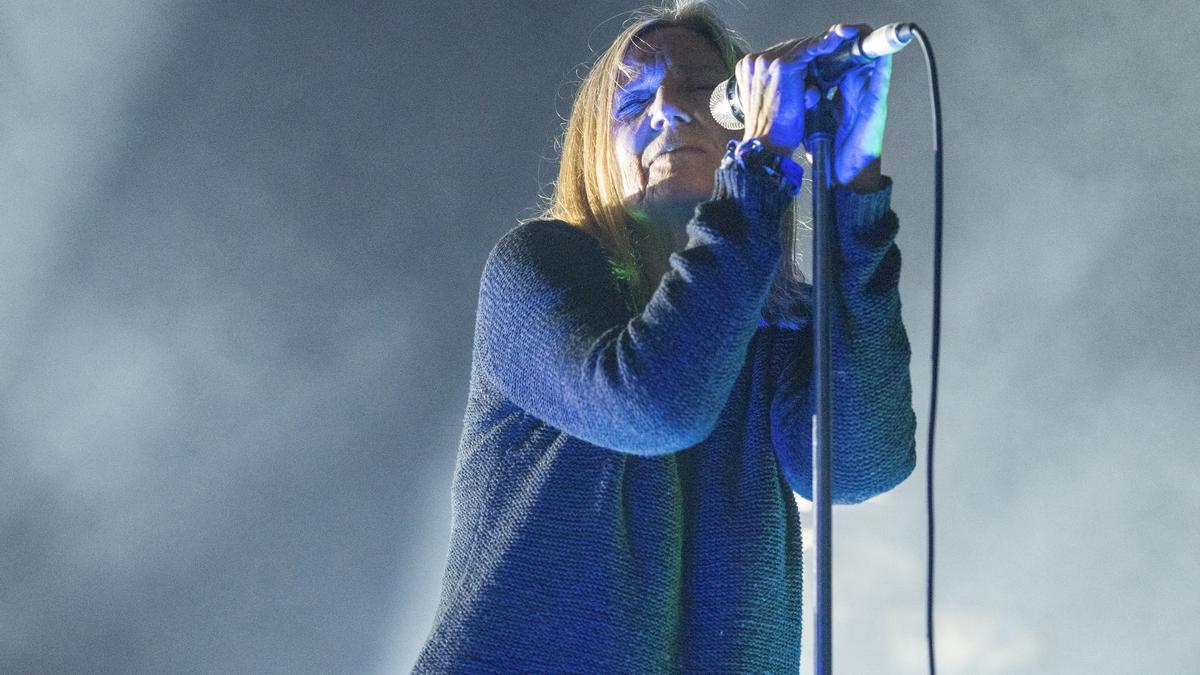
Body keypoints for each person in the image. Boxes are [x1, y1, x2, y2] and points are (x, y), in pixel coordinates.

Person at [413, 1, 916, 671]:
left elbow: (858, 464)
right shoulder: (536, 268)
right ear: (596, 148)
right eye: (634, 100)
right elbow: (654, 402)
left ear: (741, 111)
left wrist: (853, 191)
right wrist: (761, 165)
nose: (668, 110)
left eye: (702, 88)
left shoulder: (773, 330)